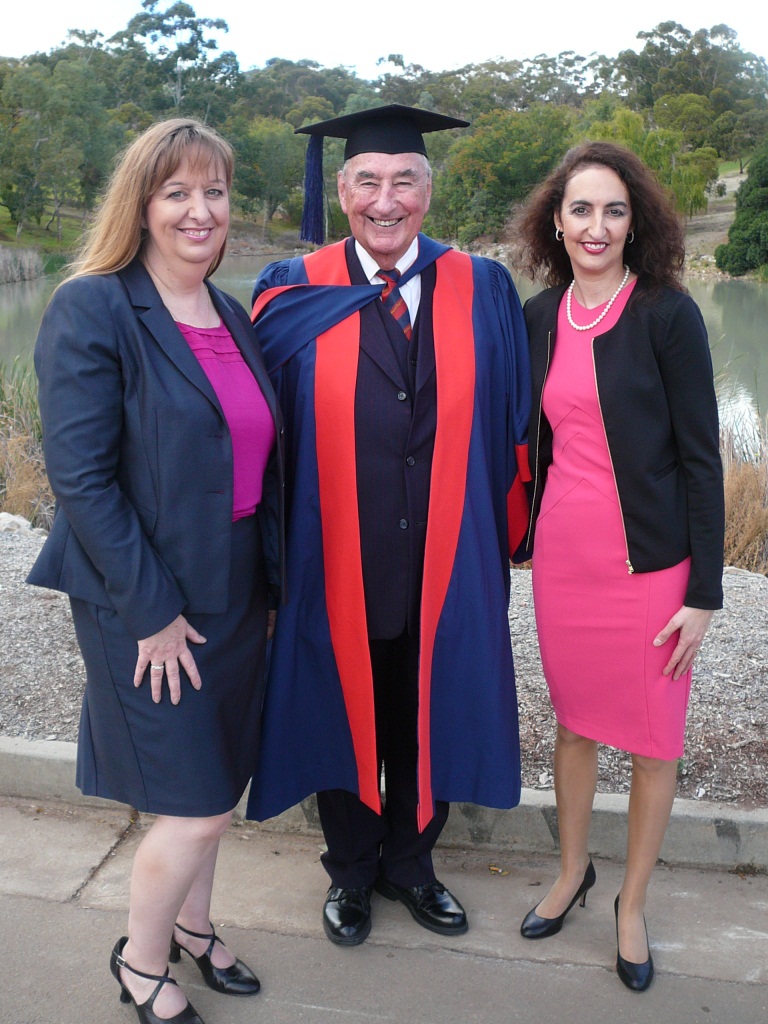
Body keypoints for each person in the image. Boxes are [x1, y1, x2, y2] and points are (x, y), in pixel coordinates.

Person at [246, 104, 532, 946]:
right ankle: (351, 871)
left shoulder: (480, 287)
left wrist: (508, 541)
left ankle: (412, 865)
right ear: (341, 192)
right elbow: (256, 438)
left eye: (404, 180)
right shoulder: (292, 289)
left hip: (444, 557)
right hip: (331, 556)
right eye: (368, 180)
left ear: (427, 193)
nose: (386, 198)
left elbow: (513, 426)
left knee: (426, 710)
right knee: (340, 710)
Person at [27, 118, 284, 1024]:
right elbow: (83, 481)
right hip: (147, 598)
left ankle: (198, 929)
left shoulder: (233, 313)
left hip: (239, 588)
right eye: (177, 192)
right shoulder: (95, 306)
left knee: (217, 779)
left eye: (214, 192)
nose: (199, 210)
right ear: (140, 204)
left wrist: (274, 592)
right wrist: (151, 611)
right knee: (195, 804)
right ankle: (140, 963)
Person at [512, 142, 724, 991]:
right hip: (563, 560)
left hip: (651, 569)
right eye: (580, 210)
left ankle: (630, 904)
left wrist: (704, 593)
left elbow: (703, 461)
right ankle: (572, 871)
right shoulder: (536, 317)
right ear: (555, 223)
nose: (596, 227)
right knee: (572, 726)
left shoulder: (668, 314)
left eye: (614, 210)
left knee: (651, 741)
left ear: (637, 222)